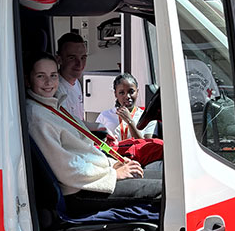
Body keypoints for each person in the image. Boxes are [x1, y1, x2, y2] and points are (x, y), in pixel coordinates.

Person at [25, 53, 162, 202]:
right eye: (40, 76)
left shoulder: (53, 107)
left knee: (167, 178)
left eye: (53, 75)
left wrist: (116, 162)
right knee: (166, 191)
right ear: (28, 80)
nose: (48, 82)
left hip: (95, 176)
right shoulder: (38, 117)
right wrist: (114, 174)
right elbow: (66, 169)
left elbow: (84, 147)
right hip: (82, 189)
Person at [96, 72, 163, 167]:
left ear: (137, 91)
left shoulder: (146, 117)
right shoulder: (105, 115)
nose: (127, 96)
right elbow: (97, 143)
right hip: (112, 162)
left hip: (139, 163)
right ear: (115, 94)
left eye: (131, 91)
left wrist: (130, 121)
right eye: (121, 92)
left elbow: (146, 146)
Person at [56, 32, 87, 122]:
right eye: (72, 58)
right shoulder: (55, 89)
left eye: (83, 58)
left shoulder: (77, 83)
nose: (79, 64)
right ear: (59, 59)